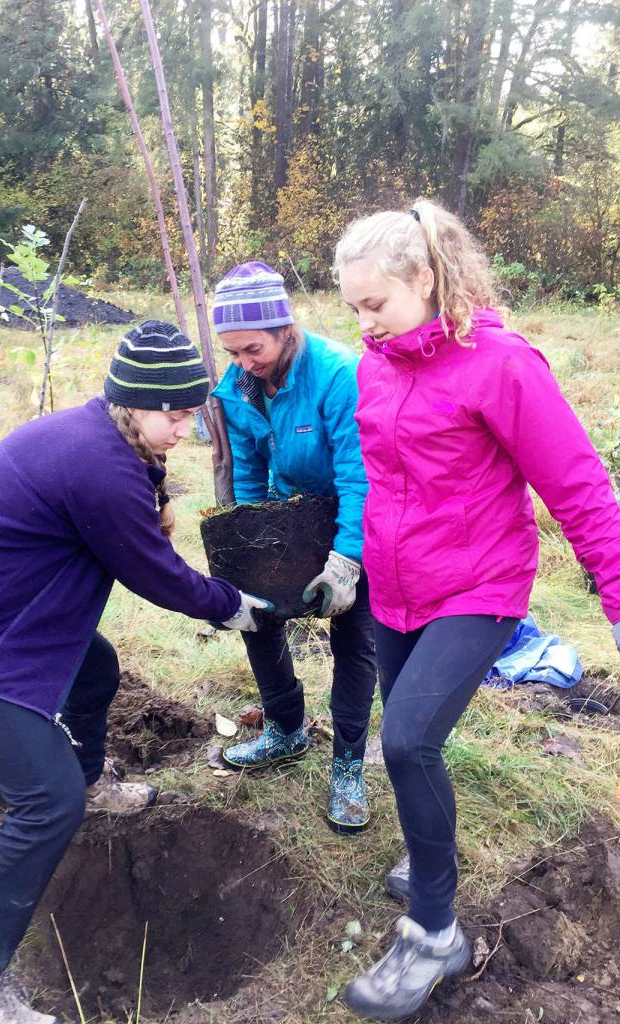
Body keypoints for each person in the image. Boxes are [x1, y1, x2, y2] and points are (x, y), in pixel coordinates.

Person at [0, 320, 271, 1024]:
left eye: (192, 415)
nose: (185, 430)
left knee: (96, 672)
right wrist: (232, 606)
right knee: (45, 802)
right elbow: (154, 575)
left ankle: (89, 780)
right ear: (133, 403)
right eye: (175, 416)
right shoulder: (97, 465)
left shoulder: (106, 436)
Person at [334, 199, 620, 1020]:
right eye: (352, 306)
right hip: (395, 590)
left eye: (376, 303)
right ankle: (432, 864)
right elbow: (375, 476)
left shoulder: (502, 365)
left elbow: (580, 487)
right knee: (412, 745)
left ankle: (433, 935)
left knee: (407, 739)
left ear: (425, 279)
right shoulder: (375, 364)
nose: (365, 322)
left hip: (478, 588)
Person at [210, 261, 378, 835]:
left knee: (356, 637)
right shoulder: (239, 387)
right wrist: (251, 544)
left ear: (285, 330)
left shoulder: (336, 375)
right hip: (286, 516)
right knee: (256, 617)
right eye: (231, 352)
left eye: (252, 348)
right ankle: (286, 730)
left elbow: (361, 478)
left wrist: (345, 560)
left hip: (347, 515)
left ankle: (348, 765)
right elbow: (251, 469)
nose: (243, 363)